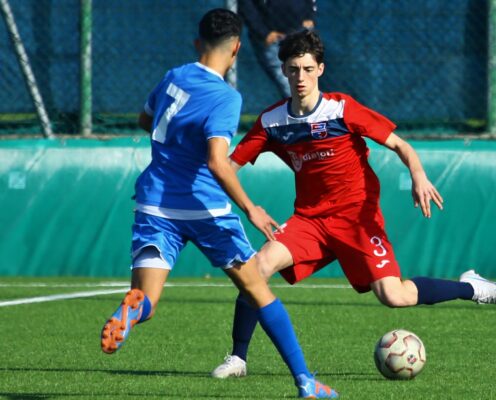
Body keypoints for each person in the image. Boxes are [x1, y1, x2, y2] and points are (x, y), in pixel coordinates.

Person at [211, 29, 496, 379]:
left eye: (308, 69)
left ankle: (474, 288)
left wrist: (418, 175)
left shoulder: (342, 109)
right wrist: (243, 203)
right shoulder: (272, 121)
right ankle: (238, 358)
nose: (301, 77)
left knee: (394, 296)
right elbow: (227, 167)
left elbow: (402, 146)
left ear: (321, 70)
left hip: (357, 220)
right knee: (257, 268)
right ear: (283, 70)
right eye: (294, 69)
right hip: (310, 221)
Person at [99, 10, 337, 398]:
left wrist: (176, 143)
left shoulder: (174, 77)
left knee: (148, 299)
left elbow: (147, 120)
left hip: (155, 204)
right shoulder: (226, 97)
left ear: (198, 44)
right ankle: (306, 383)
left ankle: (133, 310)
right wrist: (251, 208)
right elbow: (216, 161)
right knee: (259, 291)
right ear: (237, 48)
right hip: (207, 210)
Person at [238, 0, 316, 98]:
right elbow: (246, 6)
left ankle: (308, 110)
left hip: (300, 30)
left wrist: (310, 16)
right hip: (271, 38)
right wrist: (264, 33)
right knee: (287, 84)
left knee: (306, 78)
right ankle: (302, 110)